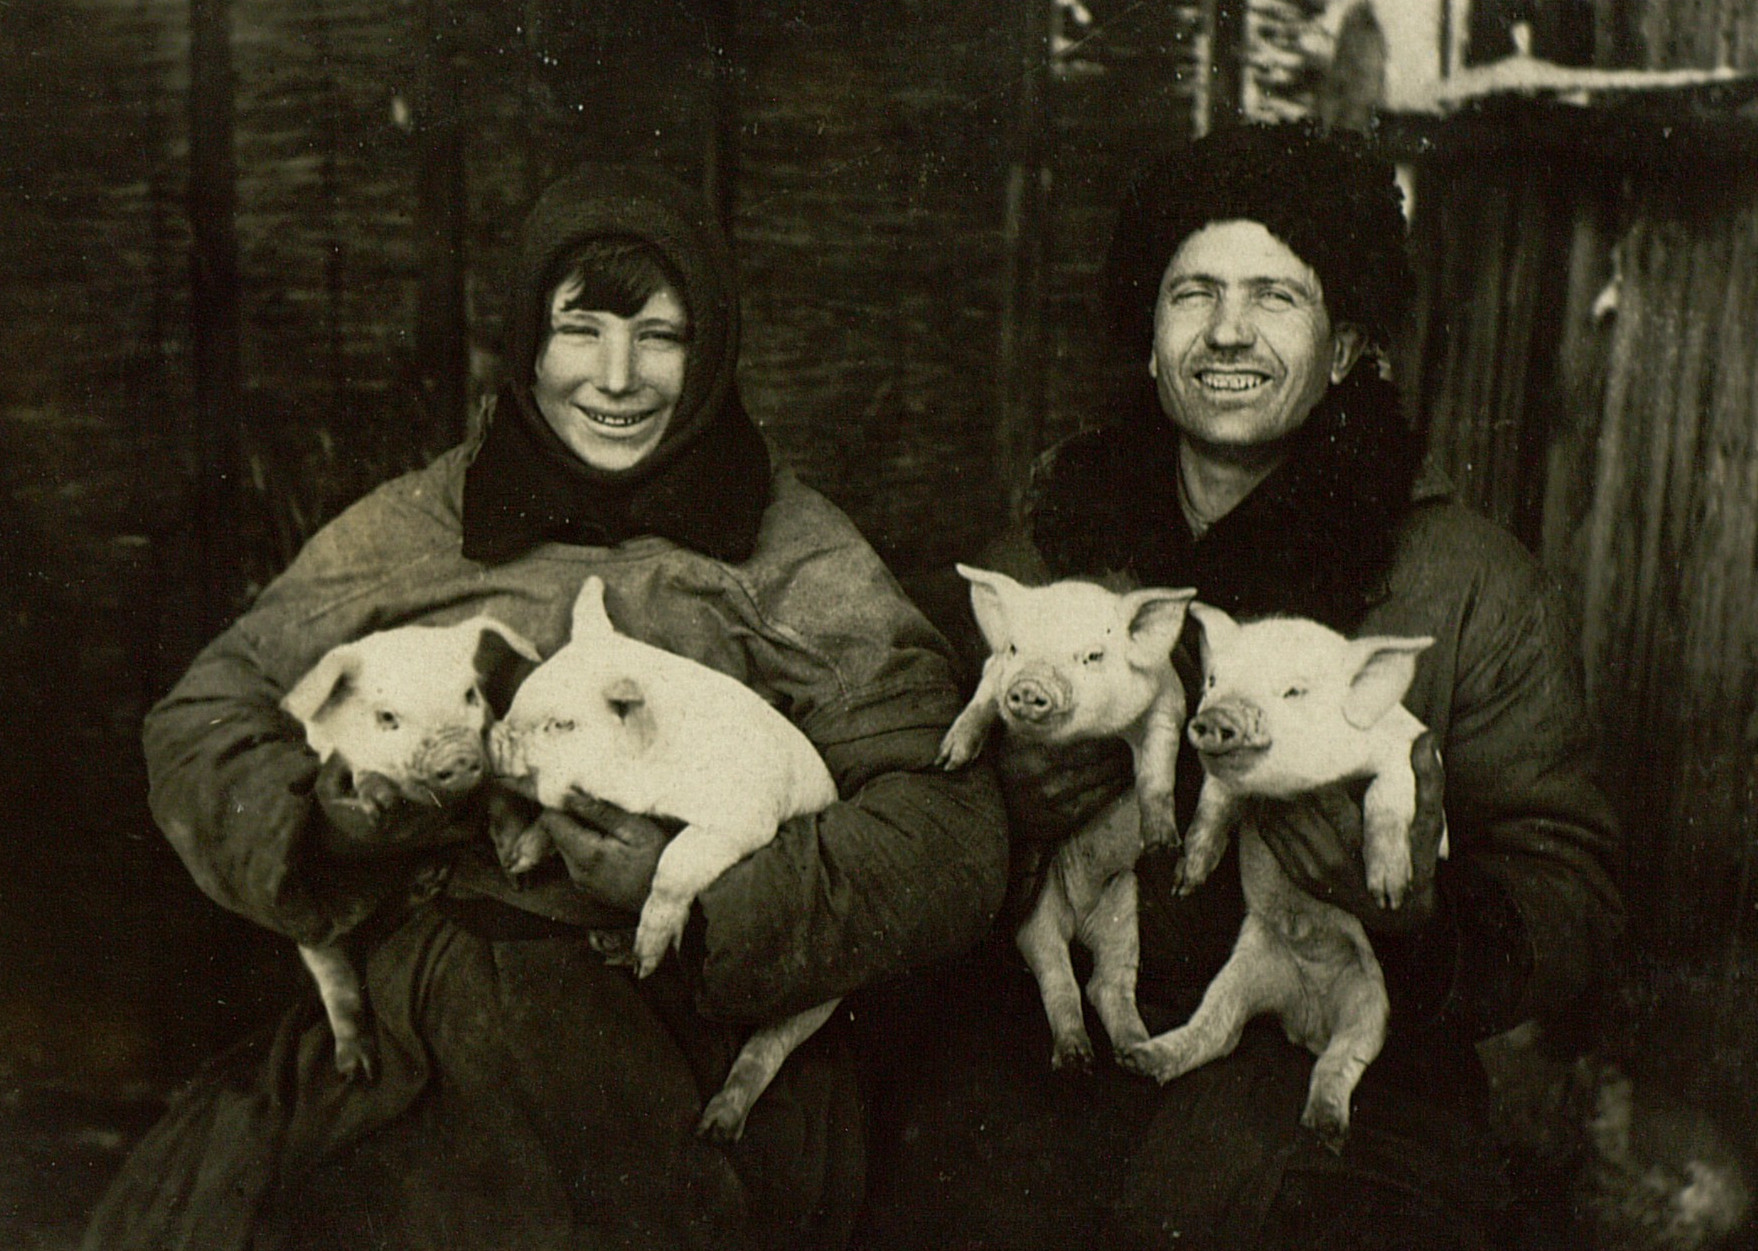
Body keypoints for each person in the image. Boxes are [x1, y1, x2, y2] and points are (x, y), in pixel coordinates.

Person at [85, 163, 1008, 1251]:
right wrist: (322, 823)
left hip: (675, 1037)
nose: (617, 378)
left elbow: (949, 828)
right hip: (419, 1021)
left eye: (660, 337)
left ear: (712, 350)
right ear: (528, 340)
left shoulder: (794, 552)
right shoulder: (425, 520)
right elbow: (199, 719)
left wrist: (701, 898)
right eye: (582, 329)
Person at [856, 121, 1624, 1250]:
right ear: (1149, 340)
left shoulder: (1467, 582)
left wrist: (1414, 913)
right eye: (1193, 294)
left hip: (1342, 1068)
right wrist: (1006, 816)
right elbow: (910, 811)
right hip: (1066, 1053)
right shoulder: (1051, 556)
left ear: (1347, 344)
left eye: (1276, 296)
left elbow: (1573, 890)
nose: (1226, 331)